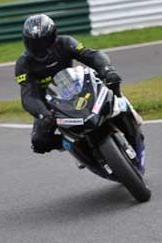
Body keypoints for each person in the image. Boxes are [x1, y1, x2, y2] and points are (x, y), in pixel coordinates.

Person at [15, 14, 123, 154]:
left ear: (53, 36)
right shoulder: (23, 64)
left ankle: (125, 110)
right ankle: (77, 147)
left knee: (112, 81)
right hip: (50, 105)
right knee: (38, 142)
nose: (40, 48)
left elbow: (91, 55)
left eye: (44, 42)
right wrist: (43, 114)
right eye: (34, 44)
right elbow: (28, 96)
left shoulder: (65, 42)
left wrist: (107, 70)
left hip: (77, 88)